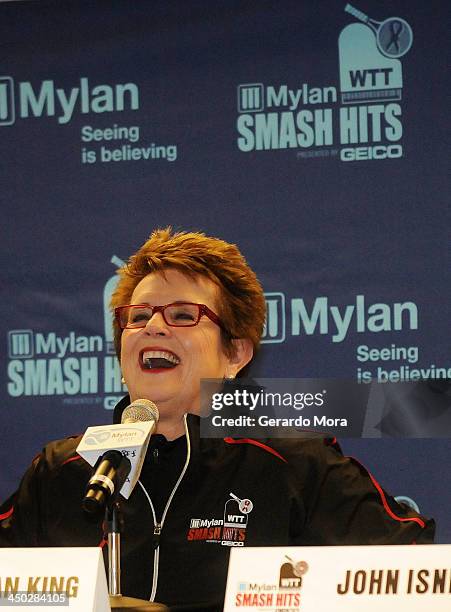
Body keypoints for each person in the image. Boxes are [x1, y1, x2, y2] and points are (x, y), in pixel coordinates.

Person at [0, 228, 435, 610]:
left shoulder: (293, 465)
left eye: (183, 315)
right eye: (137, 317)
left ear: (235, 355)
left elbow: (416, 577)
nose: (153, 326)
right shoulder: (61, 472)